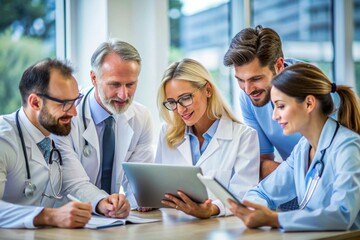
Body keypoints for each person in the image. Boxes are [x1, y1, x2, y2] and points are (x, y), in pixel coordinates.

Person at [228, 63, 360, 231]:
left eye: (281, 106)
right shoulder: (303, 148)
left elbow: (342, 214)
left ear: (309, 104)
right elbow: (262, 192)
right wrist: (251, 208)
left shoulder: (347, 147)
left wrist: (275, 219)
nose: (274, 116)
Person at [0, 59, 130, 229]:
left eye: (75, 101)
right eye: (65, 104)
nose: (74, 112)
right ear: (35, 102)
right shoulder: (4, 139)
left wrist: (104, 203)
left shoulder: (54, 131)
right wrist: (48, 216)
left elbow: (75, 183)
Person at [53, 40, 154, 210]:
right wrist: (102, 203)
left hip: (112, 219)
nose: (123, 95)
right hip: (69, 217)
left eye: (130, 84)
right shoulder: (66, 115)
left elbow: (139, 180)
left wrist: (142, 200)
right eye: (114, 84)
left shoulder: (141, 117)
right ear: (94, 78)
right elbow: (73, 182)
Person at [155, 58, 260, 218]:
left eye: (185, 98)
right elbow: (158, 186)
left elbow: (244, 196)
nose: (180, 109)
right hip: (174, 227)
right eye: (172, 102)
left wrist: (212, 209)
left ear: (208, 90)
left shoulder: (244, 137)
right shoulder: (167, 133)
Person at [223, 25, 302, 180]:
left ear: (279, 65)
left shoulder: (312, 92)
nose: (247, 89)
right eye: (240, 80)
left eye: (256, 79)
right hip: (296, 186)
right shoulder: (248, 97)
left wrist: (283, 172)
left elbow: (324, 170)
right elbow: (260, 164)